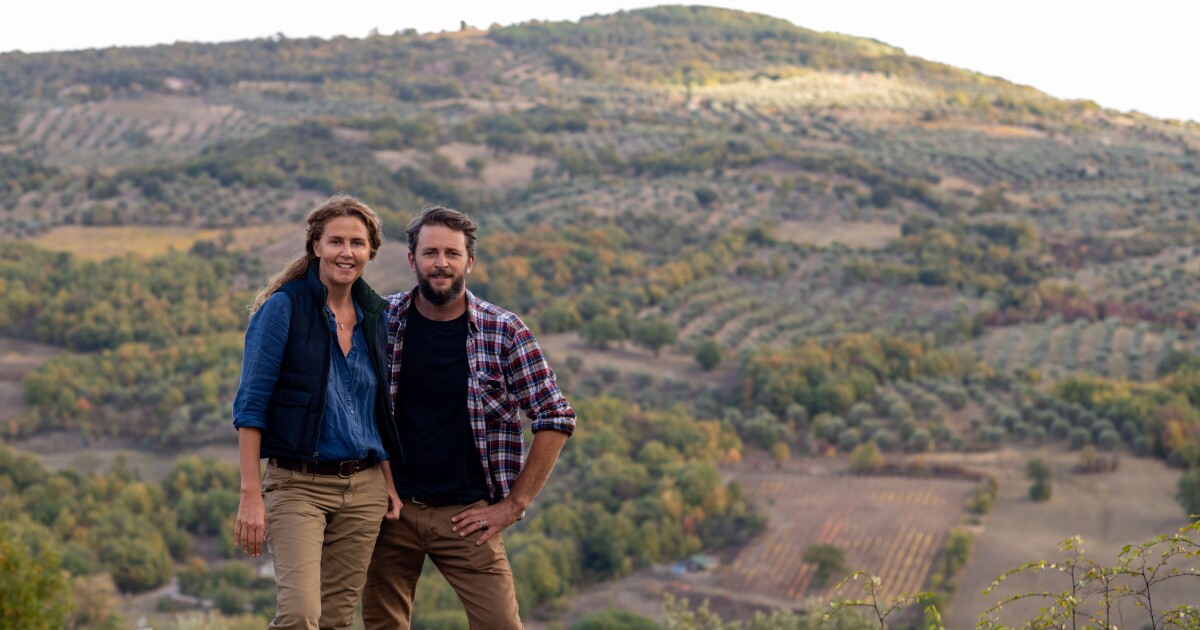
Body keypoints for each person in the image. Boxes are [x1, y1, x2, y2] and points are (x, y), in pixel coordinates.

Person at [361, 205, 576, 629]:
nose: (441, 263)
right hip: (390, 510)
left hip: (468, 517)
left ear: (469, 261)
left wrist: (514, 505)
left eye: (452, 253)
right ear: (412, 260)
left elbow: (555, 415)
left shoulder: (504, 331)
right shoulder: (382, 321)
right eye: (430, 253)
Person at [232, 194, 403, 630]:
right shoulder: (283, 309)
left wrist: (387, 481)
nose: (347, 252)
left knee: (336, 620)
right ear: (316, 247)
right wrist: (251, 495)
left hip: (364, 490)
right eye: (336, 241)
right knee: (299, 615)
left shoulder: (375, 317)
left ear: (370, 252)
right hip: (297, 486)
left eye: (357, 243)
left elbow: (373, 410)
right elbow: (251, 406)